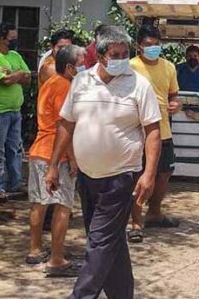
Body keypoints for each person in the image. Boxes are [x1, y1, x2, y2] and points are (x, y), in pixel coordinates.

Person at [45, 25, 162, 299]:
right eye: (115, 54)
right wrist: (53, 165)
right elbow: (66, 124)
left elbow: (153, 132)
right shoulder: (81, 82)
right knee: (110, 243)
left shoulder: (139, 85)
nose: (121, 59)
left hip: (120, 178)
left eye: (125, 54)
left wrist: (149, 174)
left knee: (99, 242)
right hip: (88, 177)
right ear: (100, 56)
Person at [27, 45, 85, 276]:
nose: (84, 67)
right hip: (55, 153)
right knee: (63, 206)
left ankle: (35, 249)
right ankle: (57, 259)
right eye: (81, 63)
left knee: (39, 203)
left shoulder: (50, 83)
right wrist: (72, 158)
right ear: (70, 67)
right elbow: (65, 127)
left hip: (40, 149)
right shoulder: (64, 86)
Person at [128, 25, 180, 243]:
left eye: (157, 45)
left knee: (163, 174)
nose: (153, 48)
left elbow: (173, 95)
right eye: (149, 45)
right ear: (139, 46)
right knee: (139, 176)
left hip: (163, 130)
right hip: (138, 132)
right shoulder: (131, 67)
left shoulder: (169, 67)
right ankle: (136, 222)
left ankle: (154, 213)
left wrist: (176, 104)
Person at [0, 23, 31, 196]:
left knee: (14, 148)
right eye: (12, 38)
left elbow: (27, 78)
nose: (15, 41)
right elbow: (5, 81)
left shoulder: (15, 55)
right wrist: (18, 74)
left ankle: (15, 182)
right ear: (2, 38)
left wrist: (15, 75)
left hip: (15, 110)